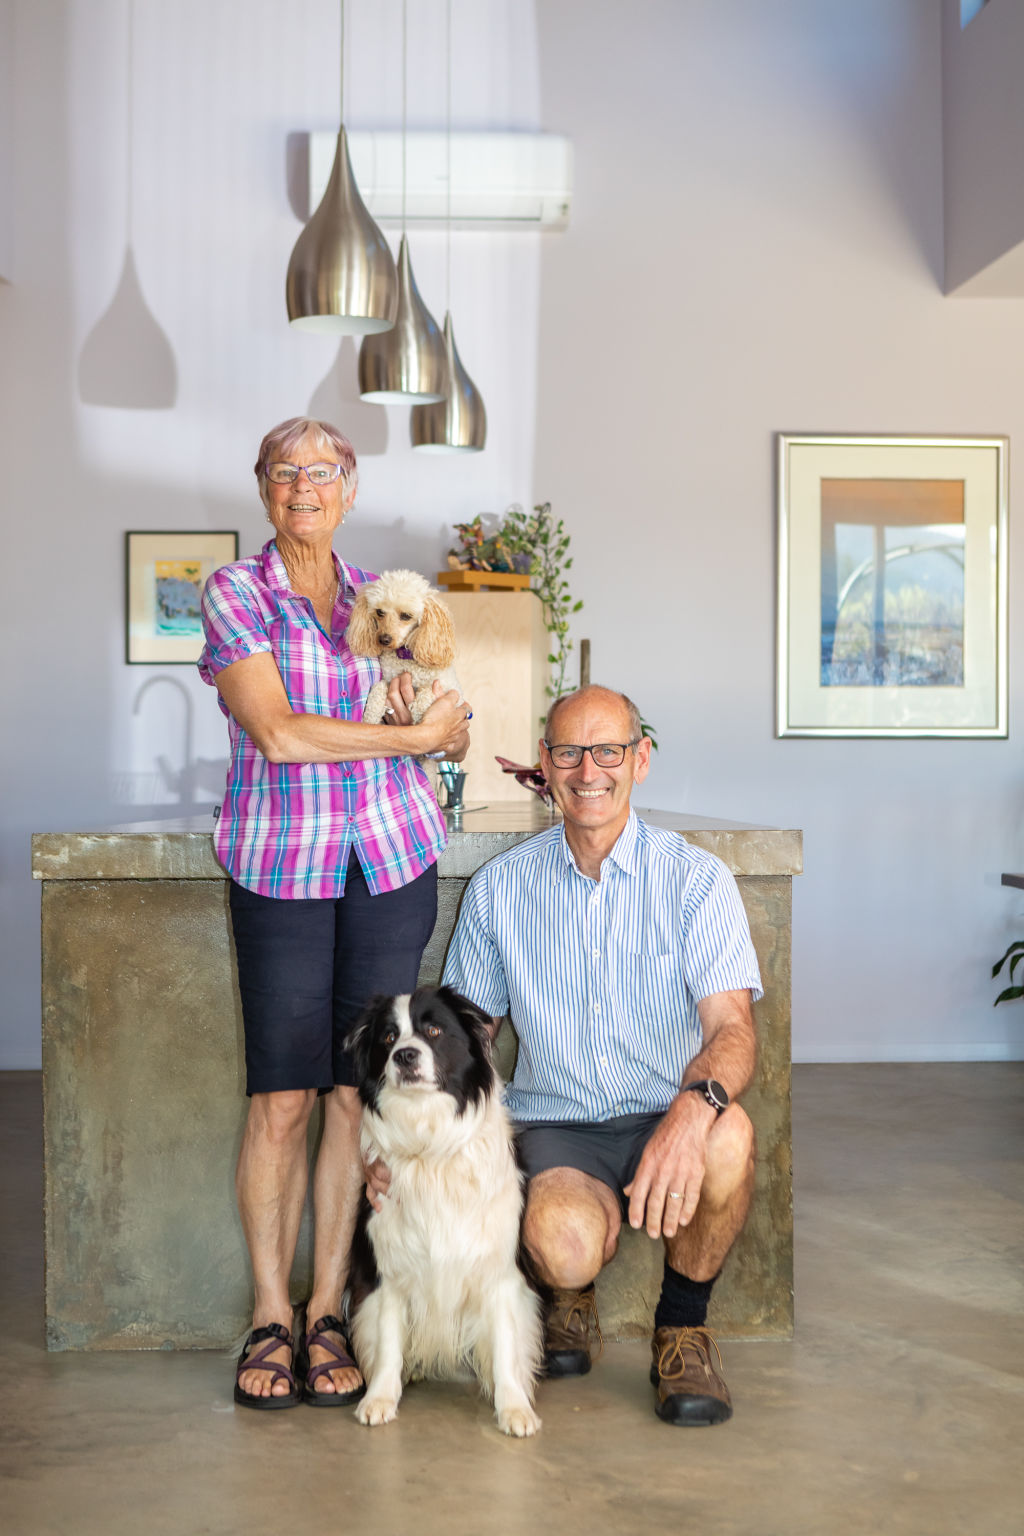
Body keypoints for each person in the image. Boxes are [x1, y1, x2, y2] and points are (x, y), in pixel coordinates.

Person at [198, 417, 471, 1410]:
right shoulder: (237, 592)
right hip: (281, 867)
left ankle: (324, 1310)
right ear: (264, 489)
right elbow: (274, 731)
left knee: (357, 1097)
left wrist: (440, 732)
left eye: (322, 471)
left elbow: (435, 716)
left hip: (390, 862)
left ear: (349, 491)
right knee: (283, 1098)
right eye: (283, 471)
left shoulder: (381, 601)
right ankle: (268, 1312)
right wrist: (405, 743)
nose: (302, 485)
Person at [441, 684, 762, 1426]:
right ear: (544, 768)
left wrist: (692, 1112)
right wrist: (411, 1136)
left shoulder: (697, 880)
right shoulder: (501, 890)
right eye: (569, 752)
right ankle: (568, 1295)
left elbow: (733, 1031)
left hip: (666, 1111)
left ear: (639, 760)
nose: (590, 771)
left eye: (608, 750)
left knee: (732, 1136)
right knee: (565, 1245)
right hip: (560, 1126)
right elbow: (466, 1040)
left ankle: (682, 1331)